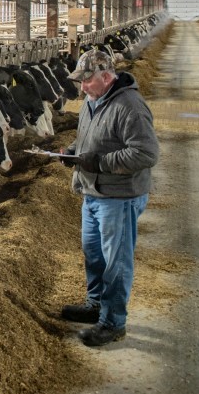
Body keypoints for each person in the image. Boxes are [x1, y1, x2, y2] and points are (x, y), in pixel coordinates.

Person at [58, 49, 159, 347]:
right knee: (94, 254)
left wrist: (99, 162)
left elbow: (146, 153)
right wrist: (73, 152)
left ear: (106, 76)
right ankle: (96, 305)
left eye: (87, 80)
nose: (82, 87)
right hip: (92, 193)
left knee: (117, 261)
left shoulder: (129, 106)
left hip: (118, 196)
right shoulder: (92, 102)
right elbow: (90, 140)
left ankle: (114, 322)